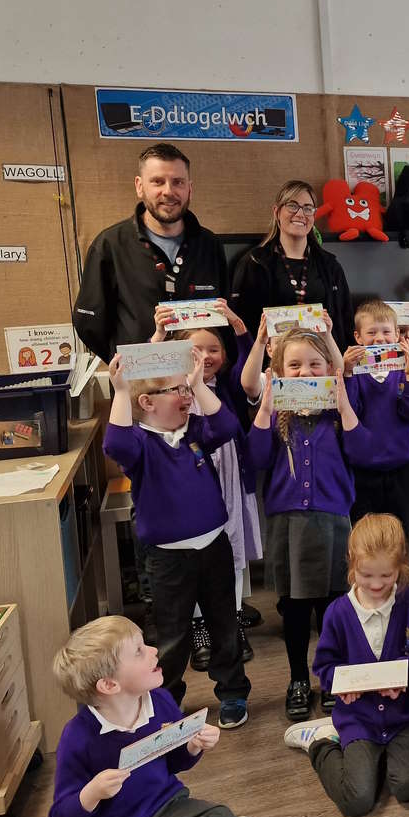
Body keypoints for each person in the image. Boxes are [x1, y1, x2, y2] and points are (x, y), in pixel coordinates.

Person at [102, 349, 251, 730]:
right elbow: (115, 445)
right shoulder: (140, 444)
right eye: (176, 391)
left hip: (214, 547)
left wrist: (198, 385)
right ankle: (166, 703)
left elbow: (228, 425)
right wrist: (120, 392)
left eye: (186, 390)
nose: (185, 398)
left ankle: (232, 693)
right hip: (168, 559)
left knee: (225, 626)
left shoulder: (195, 433)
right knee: (171, 638)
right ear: (147, 403)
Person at [49, 617, 265, 817]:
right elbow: (61, 815)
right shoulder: (76, 737)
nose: (154, 651)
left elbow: (174, 763)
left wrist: (193, 746)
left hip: (165, 812)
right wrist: (92, 793)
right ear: (109, 685)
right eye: (139, 652)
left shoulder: (161, 701)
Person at [283, 514, 409, 817]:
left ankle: (376, 760)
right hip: (359, 718)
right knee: (357, 801)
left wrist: (403, 679)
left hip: (406, 715)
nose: (377, 585)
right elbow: (325, 666)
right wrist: (340, 688)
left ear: (401, 567)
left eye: (387, 575)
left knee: (408, 788)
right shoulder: (338, 613)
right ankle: (320, 743)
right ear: (352, 564)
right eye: (367, 576)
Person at [246, 329, 363, 722]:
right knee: (293, 608)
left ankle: (331, 675)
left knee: (332, 605)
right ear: (278, 372)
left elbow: (362, 450)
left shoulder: (335, 414)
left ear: (330, 369)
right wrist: (266, 406)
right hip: (289, 524)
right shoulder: (277, 416)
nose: (304, 372)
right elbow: (257, 459)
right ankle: (298, 677)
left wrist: (342, 398)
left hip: (332, 521)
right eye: (294, 365)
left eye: (314, 364)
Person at [155, 302, 265, 667]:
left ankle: (231, 622)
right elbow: (143, 376)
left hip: (231, 478)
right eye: (195, 350)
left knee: (229, 550)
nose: (205, 356)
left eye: (213, 349)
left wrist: (239, 327)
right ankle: (201, 626)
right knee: (196, 553)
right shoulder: (169, 387)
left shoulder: (229, 386)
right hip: (190, 482)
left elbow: (251, 371)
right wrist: (158, 338)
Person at [73, 144, 230, 362]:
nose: (168, 191)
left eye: (178, 182)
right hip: (139, 386)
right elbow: (88, 324)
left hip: (202, 383)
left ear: (189, 188)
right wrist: (129, 362)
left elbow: (224, 315)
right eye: (157, 181)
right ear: (140, 186)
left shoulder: (209, 245)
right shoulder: (110, 245)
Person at [230, 181, 353, 353]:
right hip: (270, 365)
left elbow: (345, 320)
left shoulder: (330, 265)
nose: (300, 214)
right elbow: (242, 324)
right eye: (292, 206)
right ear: (277, 212)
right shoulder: (254, 263)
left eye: (308, 208)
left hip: (321, 364)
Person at [342, 300, 409, 547]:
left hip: (401, 467)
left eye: (386, 332)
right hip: (363, 469)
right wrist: (347, 372)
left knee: (401, 535)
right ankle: (366, 583)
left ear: (398, 335)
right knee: (365, 537)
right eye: (371, 332)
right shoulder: (354, 371)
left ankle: (403, 584)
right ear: (358, 337)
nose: (379, 338)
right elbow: (350, 412)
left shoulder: (402, 370)